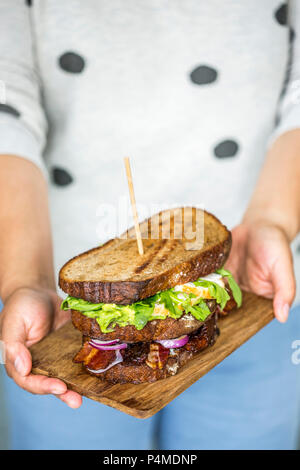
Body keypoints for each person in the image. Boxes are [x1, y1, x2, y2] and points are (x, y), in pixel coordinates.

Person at [0, 0, 299, 450]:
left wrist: (274, 218)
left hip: (256, 284)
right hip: (56, 307)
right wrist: (24, 277)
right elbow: (6, 110)